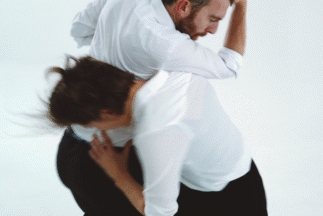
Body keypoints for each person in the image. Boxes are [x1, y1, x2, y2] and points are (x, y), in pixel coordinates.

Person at [56, 0, 249, 215]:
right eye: (212, 19)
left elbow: (79, 28)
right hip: (108, 157)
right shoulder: (168, 47)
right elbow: (229, 65)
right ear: (182, 6)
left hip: (71, 144)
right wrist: (242, 5)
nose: (213, 29)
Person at [48, 56, 267, 215]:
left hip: (228, 201)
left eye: (94, 125)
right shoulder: (168, 64)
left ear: (107, 112)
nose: (97, 131)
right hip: (241, 166)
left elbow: (157, 213)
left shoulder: (156, 131)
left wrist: (118, 173)